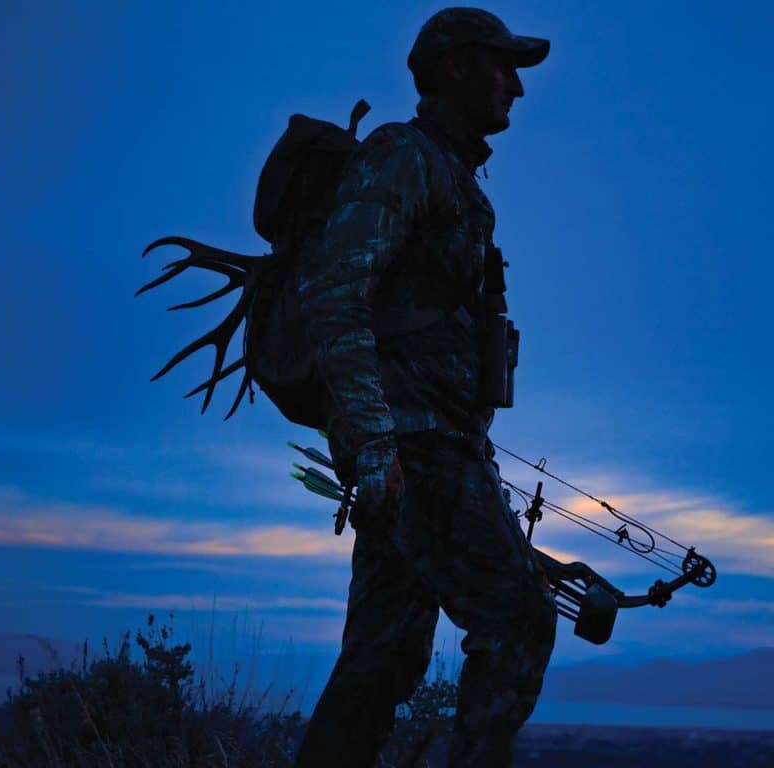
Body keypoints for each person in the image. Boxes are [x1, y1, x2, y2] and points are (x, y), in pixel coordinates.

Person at [293, 8, 556, 767]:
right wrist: (375, 443)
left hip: (426, 450)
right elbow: (333, 291)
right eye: (503, 67)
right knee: (517, 621)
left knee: (381, 661)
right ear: (455, 69)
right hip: (413, 450)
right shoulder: (403, 157)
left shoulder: (454, 179)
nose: (516, 88)